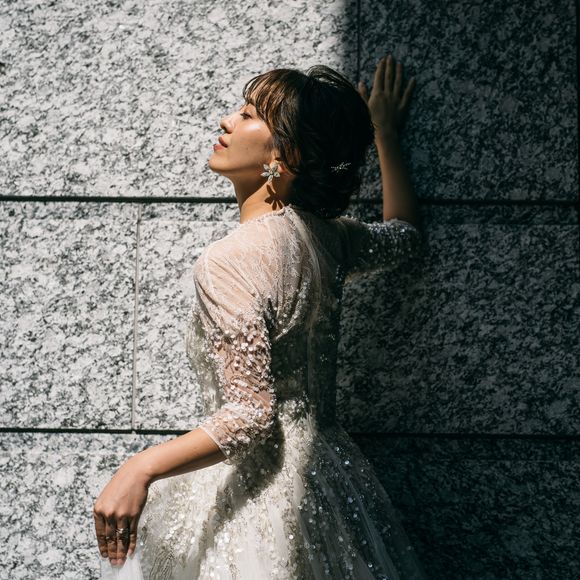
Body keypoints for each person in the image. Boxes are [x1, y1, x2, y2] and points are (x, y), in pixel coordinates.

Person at [94, 53, 427, 579]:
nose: (226, 120)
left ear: (285, 155)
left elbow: (251, 414)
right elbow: (405, 236)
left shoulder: (229, 260)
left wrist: (141, 467)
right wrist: (384, 133)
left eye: (249, 115)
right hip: (325, 481)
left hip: (254, 497)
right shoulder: (330, 239)